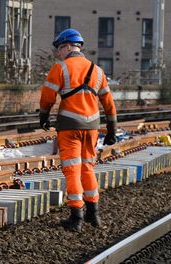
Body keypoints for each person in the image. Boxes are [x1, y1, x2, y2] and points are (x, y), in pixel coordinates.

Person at [38, 28, 118, 232]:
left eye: (59, 48)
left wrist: (44, 115)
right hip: (92, 127)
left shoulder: (61, 68)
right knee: (88, 168)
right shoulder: (98, 71)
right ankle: (94, 214)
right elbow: (109, 103)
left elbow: (48, 95)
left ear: (67, 46)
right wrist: (112, 130)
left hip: (69, 127)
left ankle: (76, 217)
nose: (57, 53)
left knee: (72, 169)